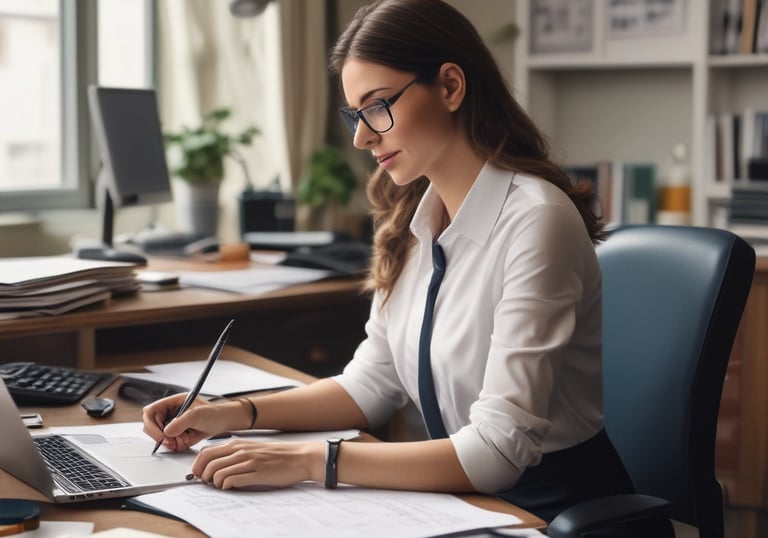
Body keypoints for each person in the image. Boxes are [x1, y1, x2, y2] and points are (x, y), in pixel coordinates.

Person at [142, 0, 641, 526]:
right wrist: (236, 412)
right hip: (462, 502)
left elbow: (497, 450)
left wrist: (310, 460)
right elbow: (370, 386)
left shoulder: (537, 221)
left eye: (377, 106)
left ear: (450, 86)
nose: (362, 136)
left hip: (550, 510)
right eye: (355, 113)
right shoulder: (410, 224)